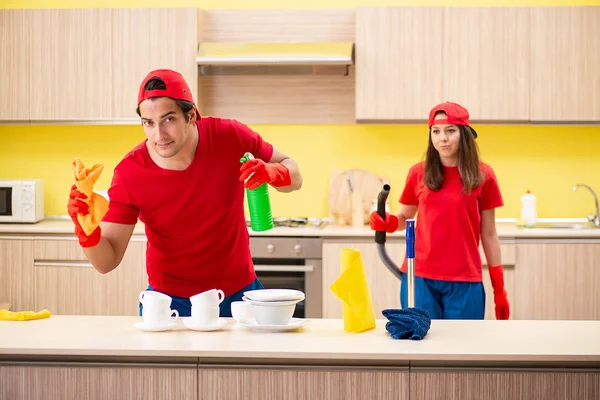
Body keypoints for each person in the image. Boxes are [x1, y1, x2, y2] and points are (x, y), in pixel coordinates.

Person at [67, 69, 303, 317]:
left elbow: (294, 176)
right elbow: (107, 262)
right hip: (170, 305)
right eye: (148, 123)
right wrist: (86, 231)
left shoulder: (230, 136)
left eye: (168, 119)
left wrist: (274, 173)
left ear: (191, 116)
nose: (159, 135)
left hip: (238, 296)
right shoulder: (130, 173)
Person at [370, 102, 510, 320]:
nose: (442, 138)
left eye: (450, 131)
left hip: (465, 280)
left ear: (463, 134)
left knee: (462, 350)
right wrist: (388, 223)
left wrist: (499, 290)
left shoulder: (484, 175)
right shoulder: (418, 172)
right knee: (420, 348)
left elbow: (489, 234)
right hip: (420, 278)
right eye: (436, 131)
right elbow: (405, 217)